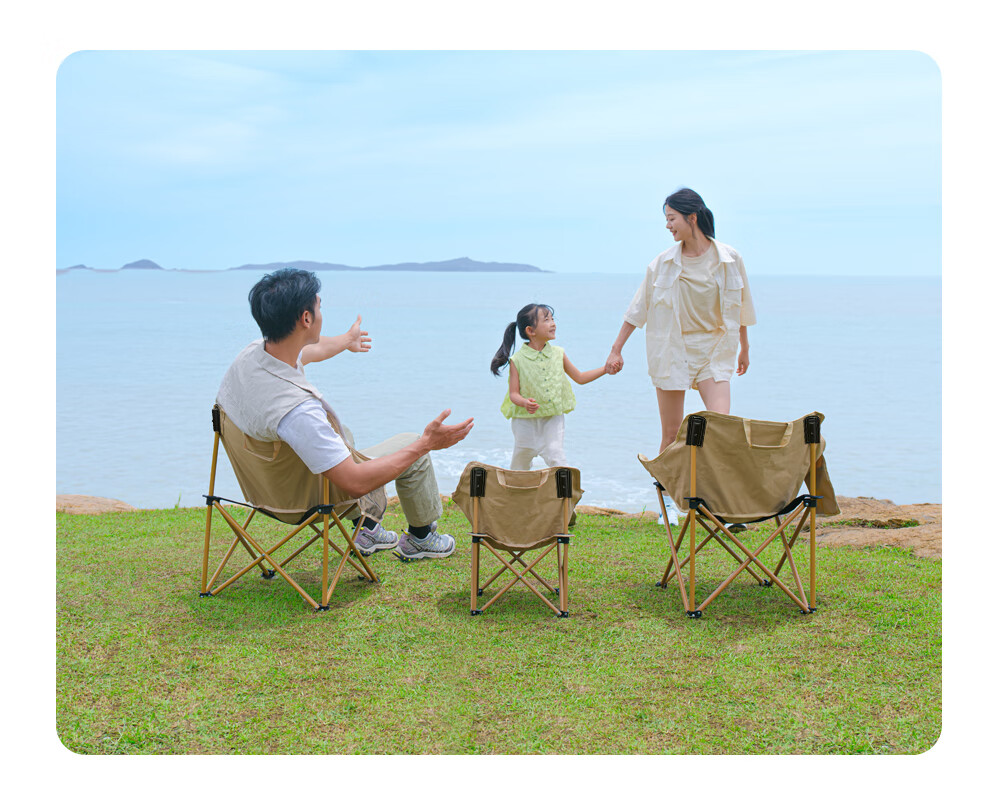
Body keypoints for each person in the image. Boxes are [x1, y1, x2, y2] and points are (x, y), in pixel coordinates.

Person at [216, 268, 474, 561]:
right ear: (306, 318)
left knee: (344, 433)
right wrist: (426, 444)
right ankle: (421, 538)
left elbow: (309, 351)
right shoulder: (298, 410)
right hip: (309, 500)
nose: (321, 313)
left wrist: (348, 340)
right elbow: (355, 482)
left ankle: (369, 529)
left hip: (262, 490)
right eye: (319, 307)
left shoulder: (251, 358)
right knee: (412, 444)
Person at [604, 188, 756, 455]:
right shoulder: (662, 264)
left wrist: (745, 347)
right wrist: (616, 349)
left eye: (672, 218)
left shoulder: (730, 258)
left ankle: (706, 482)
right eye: (667, 219)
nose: (668, 225)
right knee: (672, 435)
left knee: (722, 428)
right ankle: (667, 484)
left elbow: (741, 306)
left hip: (714, 351)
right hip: (672, 351)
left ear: (692, 217)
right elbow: (638, 309)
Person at [491, 303, 608, 470]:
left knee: (556, 455)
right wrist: (524, 402)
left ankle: (565, 485)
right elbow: (513, 394)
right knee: (520, 460)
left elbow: (580, 378)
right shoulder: (517, 360)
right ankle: (515, 485)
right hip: (524, 422)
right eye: (546, 320)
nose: (553, 324)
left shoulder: (559, 354)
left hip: (552, 419)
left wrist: (605, 369)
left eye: (553, 319)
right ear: (530, 331)